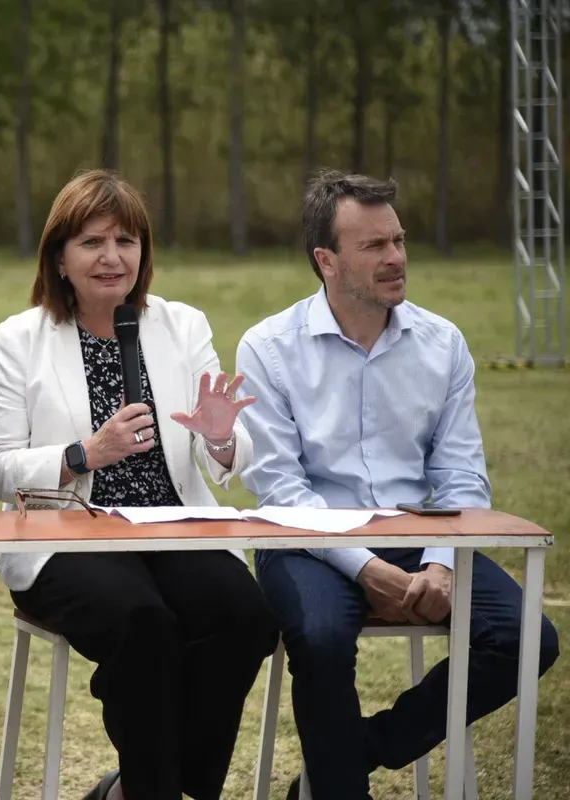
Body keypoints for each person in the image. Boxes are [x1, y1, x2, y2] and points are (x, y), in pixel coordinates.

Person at [235, 169, 561, 799]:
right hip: (308, 540)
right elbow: (280, 487)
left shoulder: (443, 343)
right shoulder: (268, 347)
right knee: (322, 638)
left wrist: (442, 563)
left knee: (528, 639)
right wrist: (365, 568)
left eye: (399, 240)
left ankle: (356, 754)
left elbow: (461, 473)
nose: (396, 258)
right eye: (374, 246)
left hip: (420, 534)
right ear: (326, 261)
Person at [0, 169, 279, 800]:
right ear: (59, 258)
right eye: (91, 242)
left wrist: (220, 435)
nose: (112, 257)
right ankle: (156, 791)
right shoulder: (20, 339)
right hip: (66, 535)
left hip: (173, 523)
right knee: (143, 622)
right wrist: (84, 454)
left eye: (127, 242)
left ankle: (151, 788)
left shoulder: (180, 325)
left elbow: (224, 452)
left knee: (246, 615)